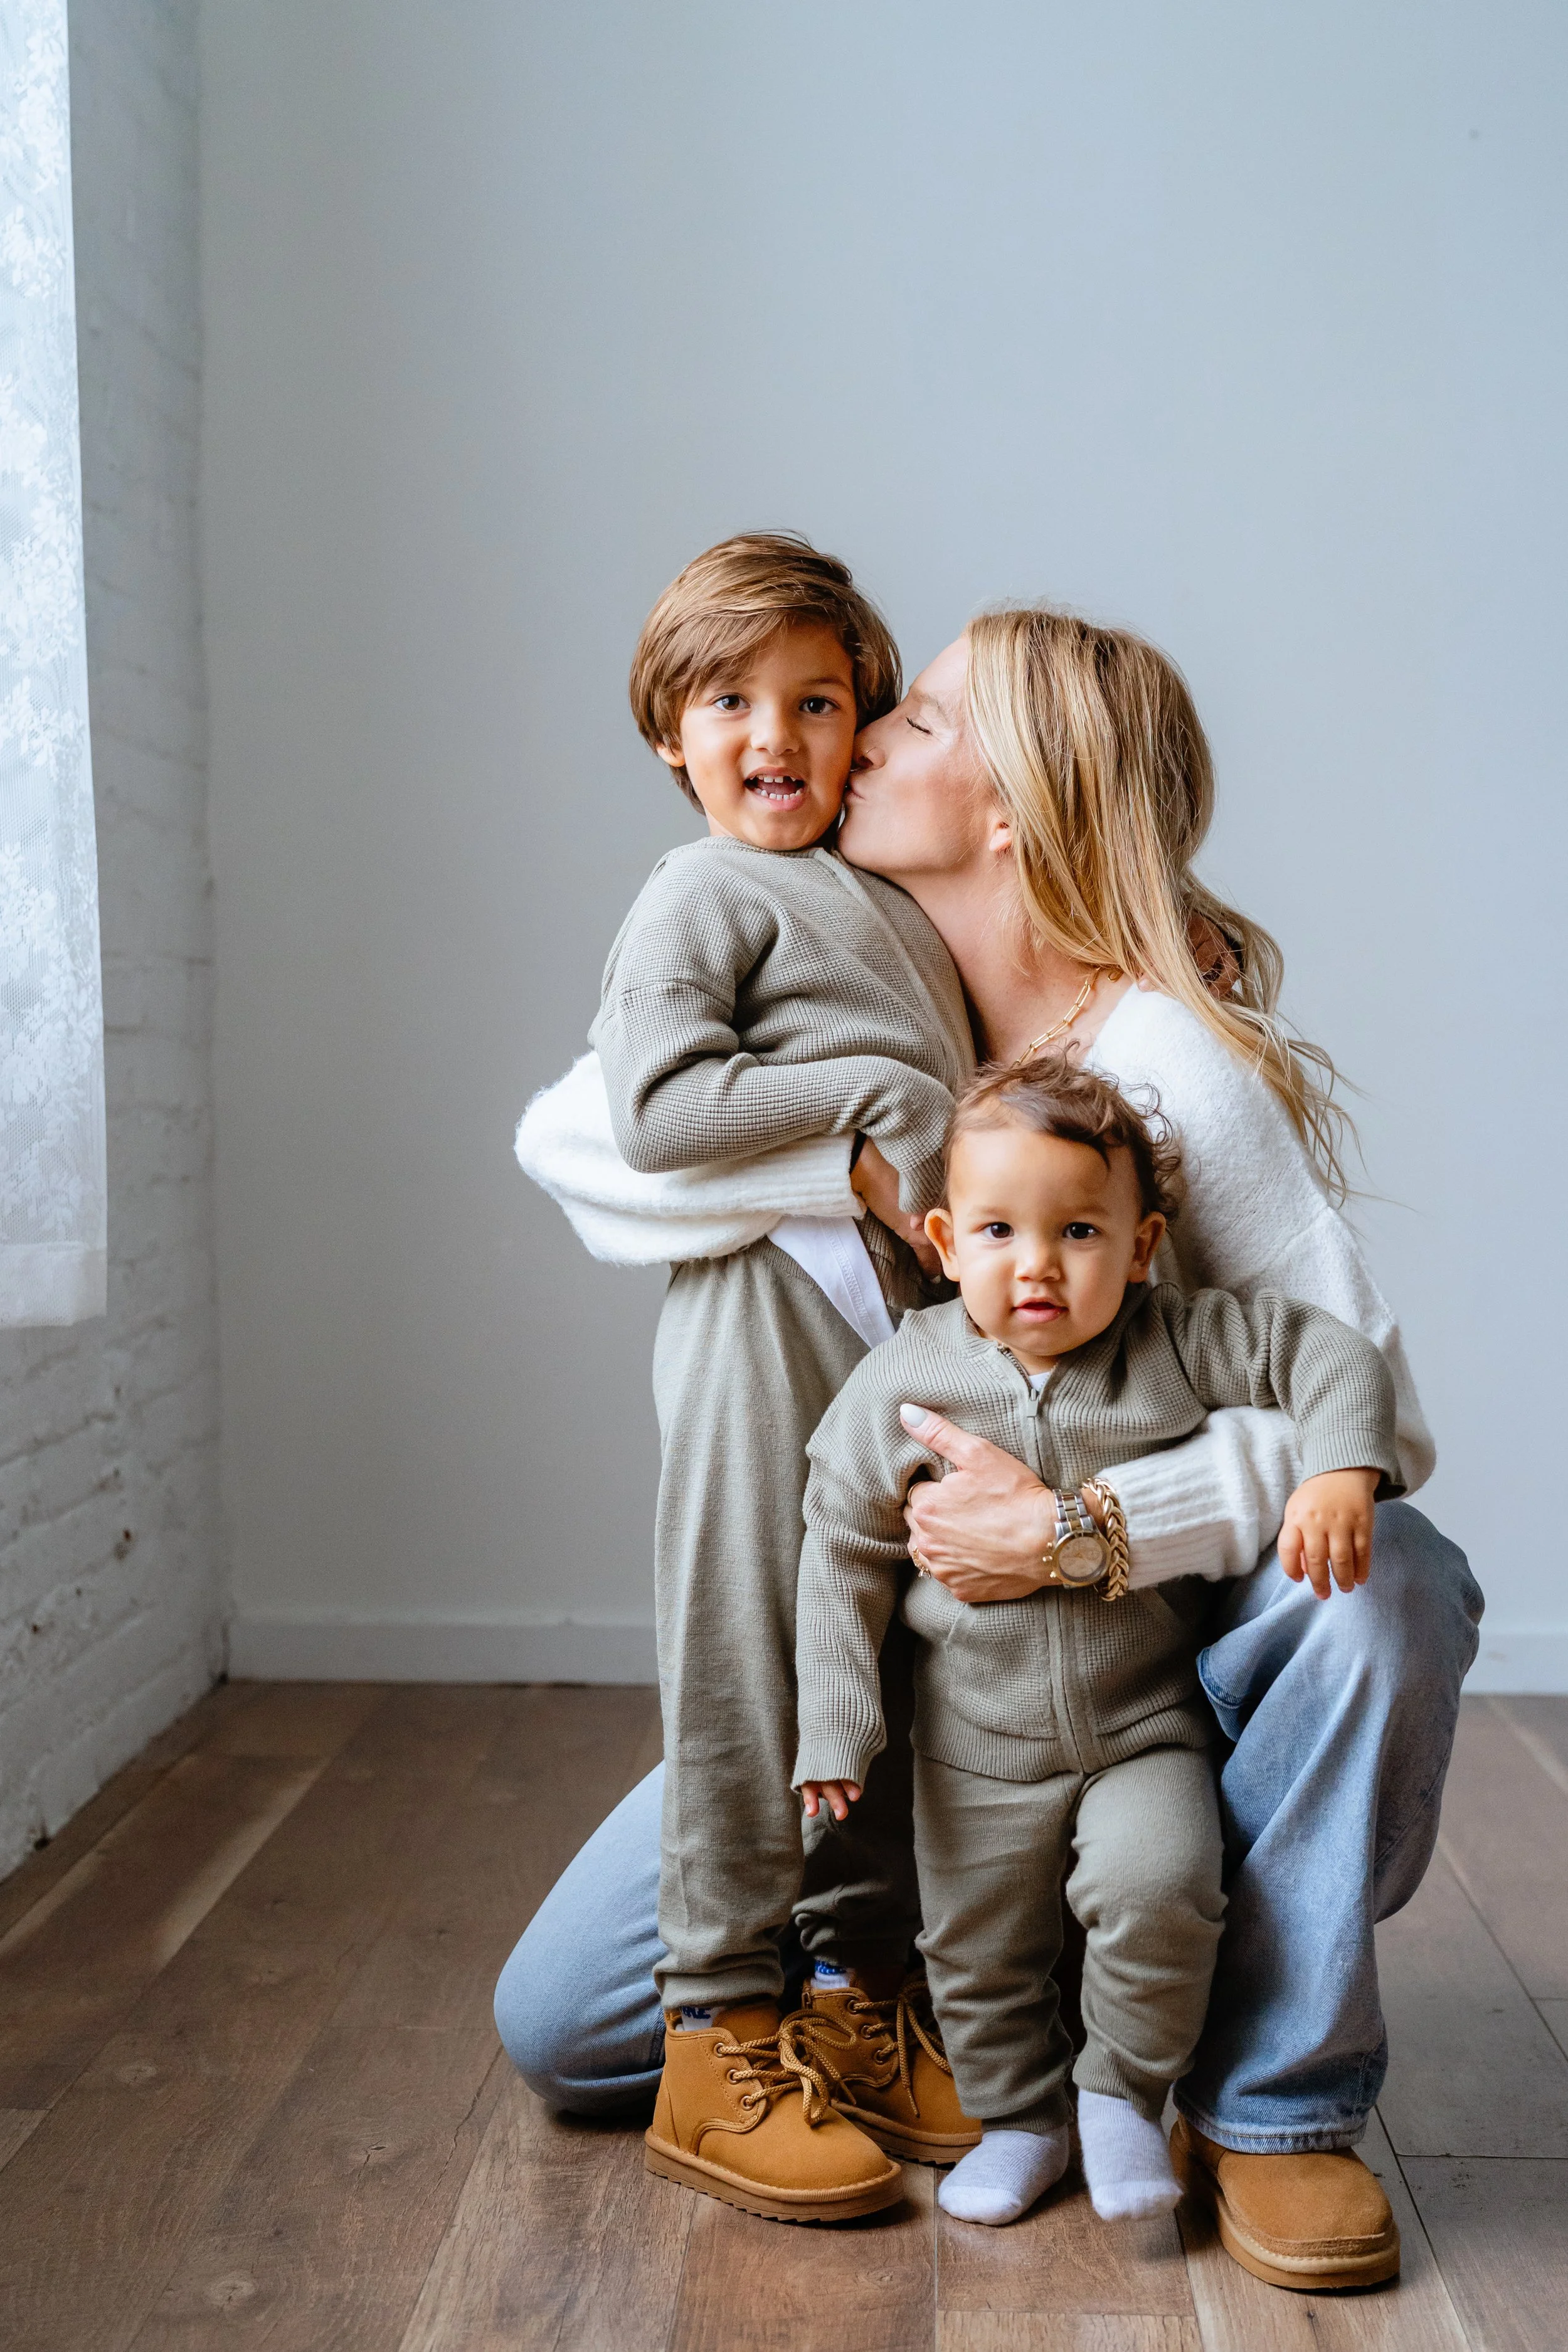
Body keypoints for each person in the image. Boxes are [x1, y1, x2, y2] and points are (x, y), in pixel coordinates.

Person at [499, 598, 1482, 2295]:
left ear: (1014, 808)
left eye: (921, 720)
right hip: (935, 1667)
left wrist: (1088, 1528)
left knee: (1380, 1582)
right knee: (567, 2024)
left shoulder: (1160, 1062)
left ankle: (1268, 2101)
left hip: (1136, 1660)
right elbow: (576, 1134)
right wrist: (865, 1146)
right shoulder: (881, 992)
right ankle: (995, 1978)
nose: (865, 728)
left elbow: (1373, 1418)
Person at [794, 1052, 1401, 2238]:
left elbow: (1324, 1351)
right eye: (999, 1231)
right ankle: (1019, 2119)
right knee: (976, 1948)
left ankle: (1121, 2094)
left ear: (1140, 1245)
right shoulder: (908, 1377)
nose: (1037, 1264)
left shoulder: (1170, 1341)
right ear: (942, 1241)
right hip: (974, 1746)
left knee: (1164, 1886)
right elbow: (841, 1549)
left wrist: (1340, 1464)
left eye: (1078, 1230)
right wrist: (838, 1720)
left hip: (1143, 1728)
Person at [589, 533, 978, 2223]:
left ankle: (852, 2000)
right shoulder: (696, 892)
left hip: (887, 1343)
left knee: (873, 1657)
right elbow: (655, 1109)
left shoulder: (880, 893)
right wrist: (876, 1095)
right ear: (667, 733)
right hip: (760, 1321)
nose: (776, 735)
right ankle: (711, 2032)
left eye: (818, 702)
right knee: (746, 1650)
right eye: (730, 702)